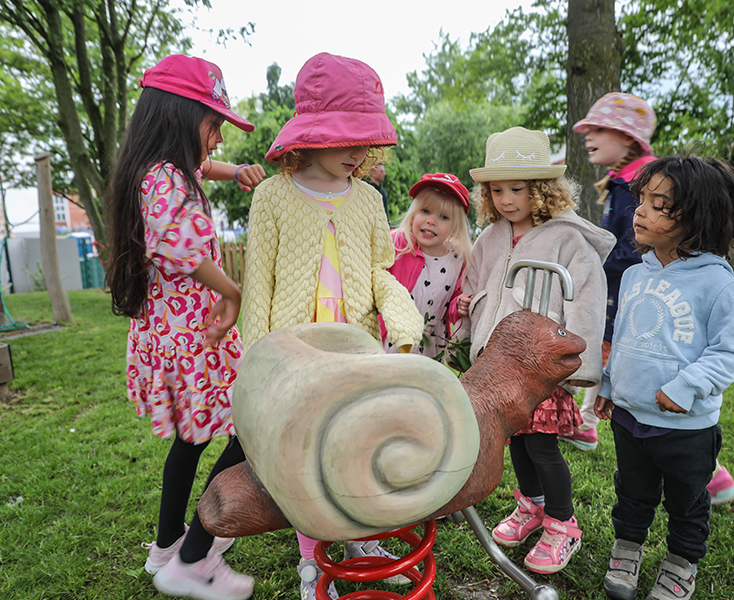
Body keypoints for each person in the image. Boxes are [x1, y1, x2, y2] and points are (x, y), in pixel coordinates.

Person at [241, 52, 423, 600]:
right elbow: (258, 284)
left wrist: (401, 317)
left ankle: (361, 542)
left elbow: (378, 271)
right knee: (306, 454)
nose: (360, 152)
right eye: (348, 138)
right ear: (310, 136)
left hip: (357, 348)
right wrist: (258, 361)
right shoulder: (272, 197)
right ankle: (311, 559)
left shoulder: (368, 199)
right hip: (297, 355)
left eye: (366, 140)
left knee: (356, 440)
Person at [107, 54, 265, 600]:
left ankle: (166, 548)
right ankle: (195, 558)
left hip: (176, 339)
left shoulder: (156, 171)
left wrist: (236, 172)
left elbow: (202, 171)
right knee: (252, 429)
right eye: (214, 125)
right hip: (198, 338)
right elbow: (180, 247)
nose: (219, 139)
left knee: (191, 441)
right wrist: (231, 289)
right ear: (178, 117)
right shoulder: (165, 179)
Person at [456, 126, 616, 574]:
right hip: (501, 366)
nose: (507, 199)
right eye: (497, 190)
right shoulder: (490, 238)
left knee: (543, 447)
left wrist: (576, 367)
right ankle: (533, 506)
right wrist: (469, 309)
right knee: (517, 444)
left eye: (518, 189)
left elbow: (585, 300)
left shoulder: (567, 239)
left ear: (541, 189)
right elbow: (477, 288)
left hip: (542, 366)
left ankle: (563, 524)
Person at [571, 93, 734, 507]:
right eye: (641, 202)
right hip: (631, 296)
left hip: (641, 299)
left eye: (599, 128)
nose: (588, 135)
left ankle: (710, 476)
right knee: (624, 359)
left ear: (627, 137)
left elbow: (631, 250)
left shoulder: (642, 183)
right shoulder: (623, 185)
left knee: (650, 370)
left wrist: (601, 268)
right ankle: (591, 418)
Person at [594, 155, 734, 600]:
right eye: (642, 199)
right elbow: (622, 336)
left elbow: (729, 353)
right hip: (629, 418)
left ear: (698, 217)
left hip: (685, 429)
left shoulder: (717, 285)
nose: (639, 211)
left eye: (659, 204)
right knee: (632, 494)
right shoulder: (633, 275)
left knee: (687, 504)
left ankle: (681, 562)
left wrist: (684, 388)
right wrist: (609, 385)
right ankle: (628, 548)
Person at [382, 172, 472, 358]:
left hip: (432, 344)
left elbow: (452, 300)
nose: (431, 220)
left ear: (455, 226)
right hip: (394, 340)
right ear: (413, 214)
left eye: (444, 217)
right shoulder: (396, 244)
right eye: (425, 211)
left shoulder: (458, 259)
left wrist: (459, 305)